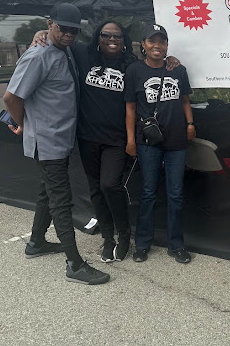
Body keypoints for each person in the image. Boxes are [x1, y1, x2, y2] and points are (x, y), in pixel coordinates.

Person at [32, 22, 180, 263]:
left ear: (125, 40)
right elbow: (59, 37)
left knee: (110, 185)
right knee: (95, 191)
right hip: (88, 136)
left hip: (117, 139)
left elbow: (154, 68)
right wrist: (41, 33)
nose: (112, 39)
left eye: (118, 36)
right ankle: (108, 238)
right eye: (106, 35)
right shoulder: (84, 55)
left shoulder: (132, 65)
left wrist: (171, 60)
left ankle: (123, 235)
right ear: (98, 38)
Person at [3, 3, 110, 284]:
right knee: (61, 200)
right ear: (51, 23)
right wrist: (25, 124)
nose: (69, 35)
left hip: (61, 139)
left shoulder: (63, 49)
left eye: (74, 30)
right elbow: (11, 98)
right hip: (48, 142)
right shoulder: (37, 56)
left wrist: (46, 34)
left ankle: (36, 242)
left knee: (46, 191)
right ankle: (74, 264)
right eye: (63, 28)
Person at [125, 23, 195, 263]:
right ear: (143, 45)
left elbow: (185, 100)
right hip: (148, 141)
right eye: (152, 41)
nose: (157, 45)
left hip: (176, 140)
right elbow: (130, 109)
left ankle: (176, 245)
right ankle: (143, 244)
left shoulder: (177, 69)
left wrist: (190, 124)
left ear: (167, 45)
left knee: (175, 194)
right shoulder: (134, 71)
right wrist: (131, 140)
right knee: (148, 193)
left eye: (162, 41)